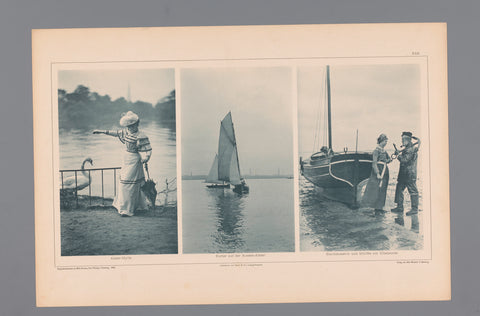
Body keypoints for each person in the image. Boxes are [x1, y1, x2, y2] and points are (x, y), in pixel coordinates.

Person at [93, 111, 152, 217]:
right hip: (126, 159)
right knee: (123, 182)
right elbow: (115, 133)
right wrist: (101, 131)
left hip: (134, 160)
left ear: (137, 124)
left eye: (132, 126)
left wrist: (147, 158)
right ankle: (127, 207)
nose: (130, 128)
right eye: (128, 126)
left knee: (129, 184)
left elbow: (148, 149)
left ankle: (128, 209)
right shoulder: (126, 132)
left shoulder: (141, 135)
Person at [391, 131, 421, 216]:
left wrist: (398, 155)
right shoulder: (409, 148)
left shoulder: (411, 149)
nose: (402, 141)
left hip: (409, 174)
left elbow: (405, 160)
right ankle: (399, 207)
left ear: (407, 140)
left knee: (413, 190)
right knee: (399, 189)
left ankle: (414, 209)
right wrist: (399, 153)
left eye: (403, 140)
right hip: (404, 174)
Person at [361, 133, 392, 212]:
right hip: (378, 172)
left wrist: (390, 159)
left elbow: (387, 160)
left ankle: (379, 207)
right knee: (375, 189)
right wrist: (377, 173)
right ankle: (372, 207)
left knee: (383, 189)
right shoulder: (376, 151)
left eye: (386, 141)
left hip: (385, 171)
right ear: (381, 141)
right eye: (385, 141)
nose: (386, 143)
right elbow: (374, 163)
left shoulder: (384, 151)